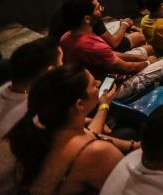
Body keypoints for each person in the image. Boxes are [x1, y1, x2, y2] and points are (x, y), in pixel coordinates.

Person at [8, 65, 131, 194]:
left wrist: (132, 145)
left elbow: (89, 135)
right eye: (94, 84)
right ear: (79, 104)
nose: (99, 83)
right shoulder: (97, 151)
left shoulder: (38, 131)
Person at [60, 0, 163, 100]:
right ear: (87, 18)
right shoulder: (92, 46)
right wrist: (148, 62)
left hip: (109, 73)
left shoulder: (66, 37)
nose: (101, 10)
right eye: (98, 8)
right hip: (111, 89)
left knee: (148, 49)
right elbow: (128, 68)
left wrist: (139, 58)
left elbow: (110, 55)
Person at [0, 38, 62, 138]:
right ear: (49, 71)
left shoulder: (7, 86)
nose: (63, 65)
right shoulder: (37, 113)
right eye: (60, 62)